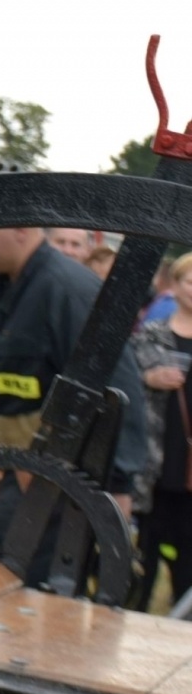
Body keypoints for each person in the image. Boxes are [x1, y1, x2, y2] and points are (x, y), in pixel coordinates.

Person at [0, 227, 147, 566]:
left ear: (21, 230)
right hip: (22, 468)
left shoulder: (69, 290)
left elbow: (120, 388)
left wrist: (119, 486)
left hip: (68, 479)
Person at [130, 251, 192, 606]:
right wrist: (148, 378)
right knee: (147, 552)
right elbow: (122, 389)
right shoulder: (151, 336)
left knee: (188, 558)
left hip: (189, 469)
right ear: (175, 286)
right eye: (189, 281)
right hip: (156, 458)